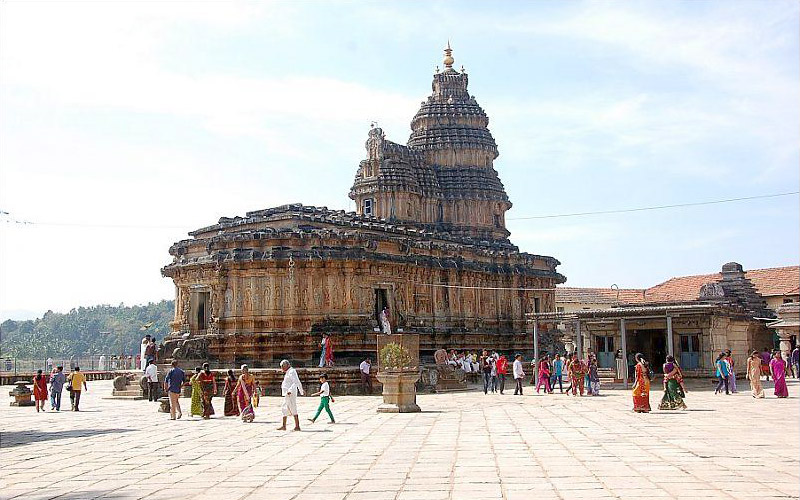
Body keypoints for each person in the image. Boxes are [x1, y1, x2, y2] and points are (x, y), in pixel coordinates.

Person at [277, 359, 304, 431]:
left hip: (290, 394)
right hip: (287, 394)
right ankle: (284, 426)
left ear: (287, 365)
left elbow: (295, 382)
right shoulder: (288, 372)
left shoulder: (292, 371)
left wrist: (290, 390)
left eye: (282, 366)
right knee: (284, 408)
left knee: (293, 408)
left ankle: (297, 426)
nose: (282, 368)